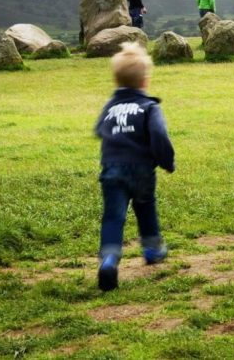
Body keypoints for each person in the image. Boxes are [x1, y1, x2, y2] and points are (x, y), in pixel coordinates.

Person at [93, 43, 175, 292]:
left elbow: (99, 130)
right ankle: (152, 250)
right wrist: (166, 161)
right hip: (141, 170)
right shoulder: (149, 107)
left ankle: (108, 259)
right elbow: (159, 136)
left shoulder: (110, 107)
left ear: (117, 81)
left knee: (113, 217)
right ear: (144, 82)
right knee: (145, 208)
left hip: (111, 170)